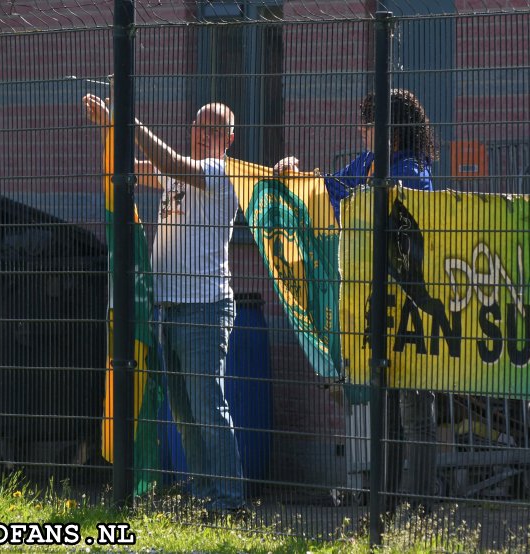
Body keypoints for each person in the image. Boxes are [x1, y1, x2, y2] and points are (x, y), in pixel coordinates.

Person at [275, 88, 439, 513]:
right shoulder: (364, 165)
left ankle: (420, 508)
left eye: (368, 124)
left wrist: (357, 199)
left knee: (416, 413)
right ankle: (382, 509)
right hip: (373, 310)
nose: (361, 132)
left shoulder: (414, 170)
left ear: (391, 131)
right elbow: (325, 192)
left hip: (411, 312)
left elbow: (398, 206)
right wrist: (293, 176)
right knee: (383, 410)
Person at [83, 91, 245, 514]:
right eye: (198, 127)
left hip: (204, 308)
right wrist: (109, 132)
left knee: (208, 406)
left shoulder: (219, 174)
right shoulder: (180, 174)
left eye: (214, 130)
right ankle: (203, 491)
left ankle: (229, 498)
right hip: (167, 307)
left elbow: (171, 164)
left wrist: (129, 124)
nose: (203, 135)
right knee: (184, 411)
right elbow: (129, 171)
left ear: (229, 140)